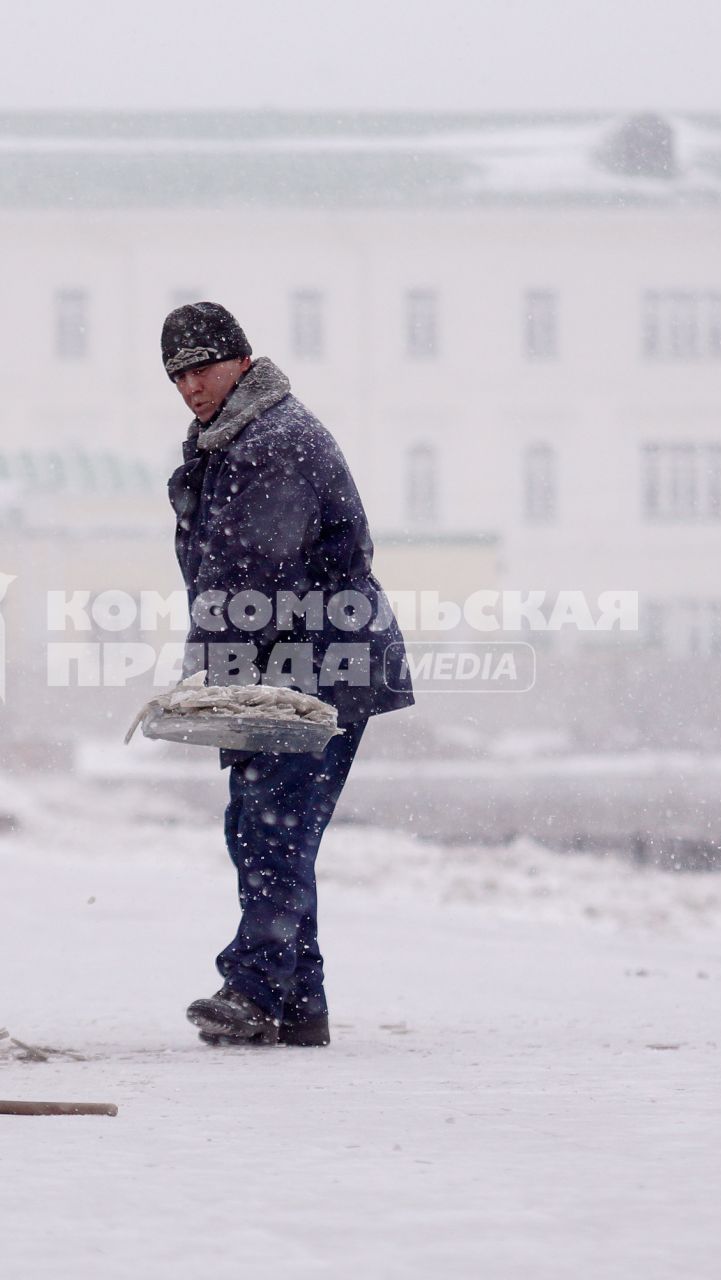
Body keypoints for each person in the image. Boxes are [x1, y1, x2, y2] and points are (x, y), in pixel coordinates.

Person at [162, 301, 414, 1048]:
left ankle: (255, 986)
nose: (189, 386)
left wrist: (208, 674)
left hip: (318, 665)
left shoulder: (273, 442)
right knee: (263, 824)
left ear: (241, 360)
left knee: (275, 828)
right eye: (177, 376)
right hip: (284, 662)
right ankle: (298, 1004)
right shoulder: (234, 438)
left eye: (201, 368)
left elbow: (251, 575)